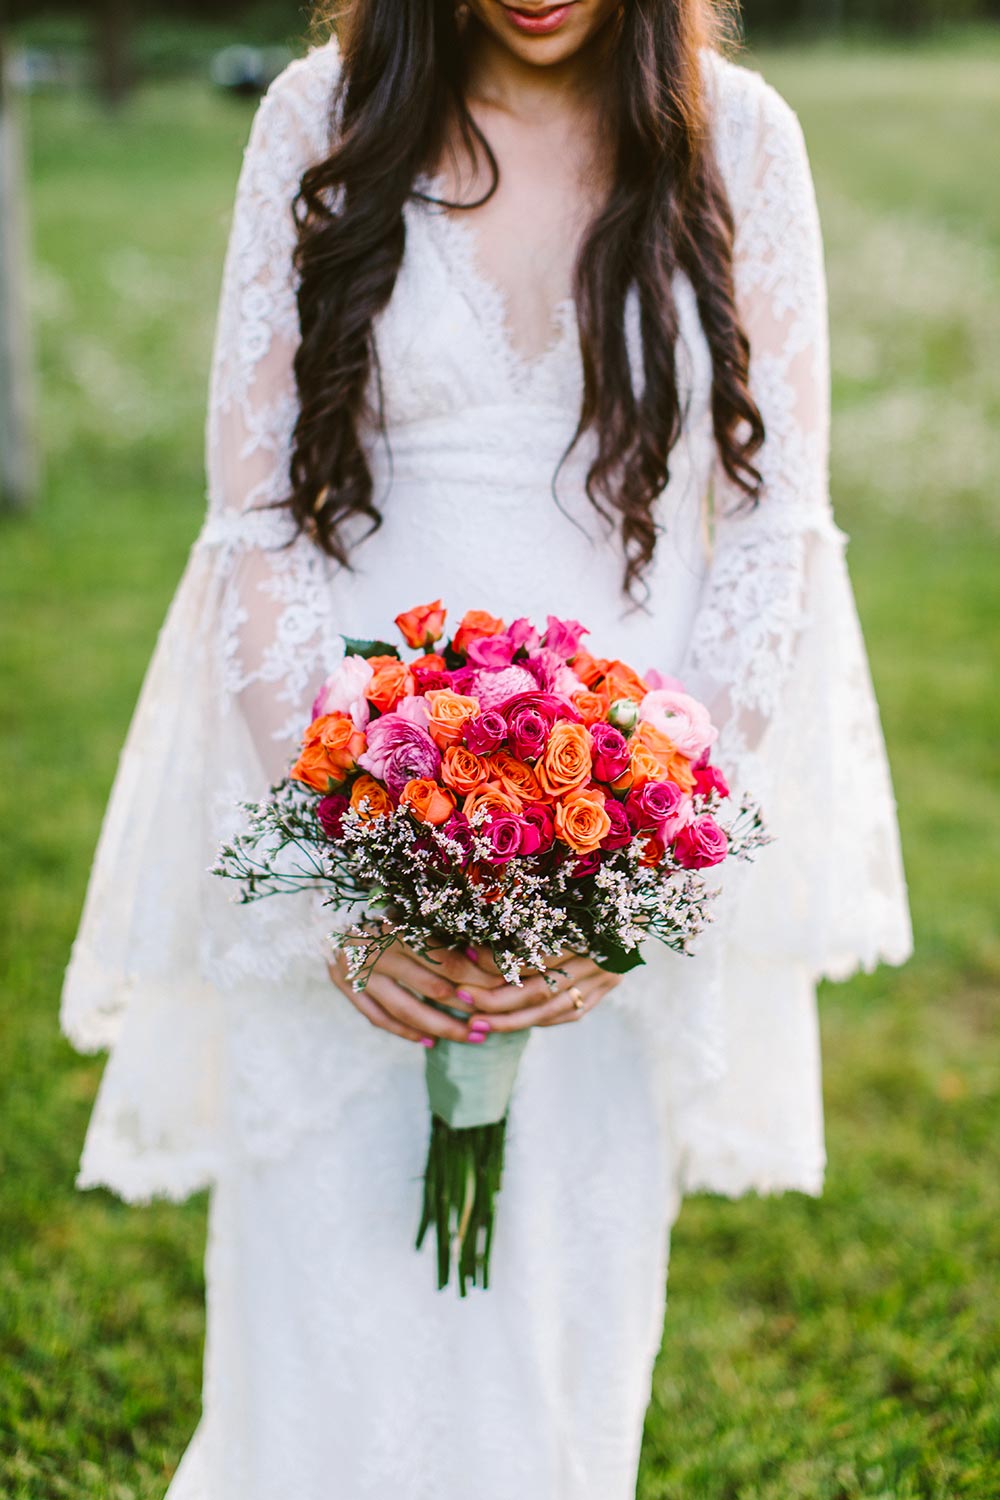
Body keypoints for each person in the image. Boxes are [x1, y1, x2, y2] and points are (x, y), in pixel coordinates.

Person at [60, 2, 912, 1496]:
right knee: (324, 1300)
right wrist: (347, 864)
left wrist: (644, 858)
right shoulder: (320, 121)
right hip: (348, 778)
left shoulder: (742, 144)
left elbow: (777, 524)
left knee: (554, 1327)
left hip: (613, 825)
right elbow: (254, 518)